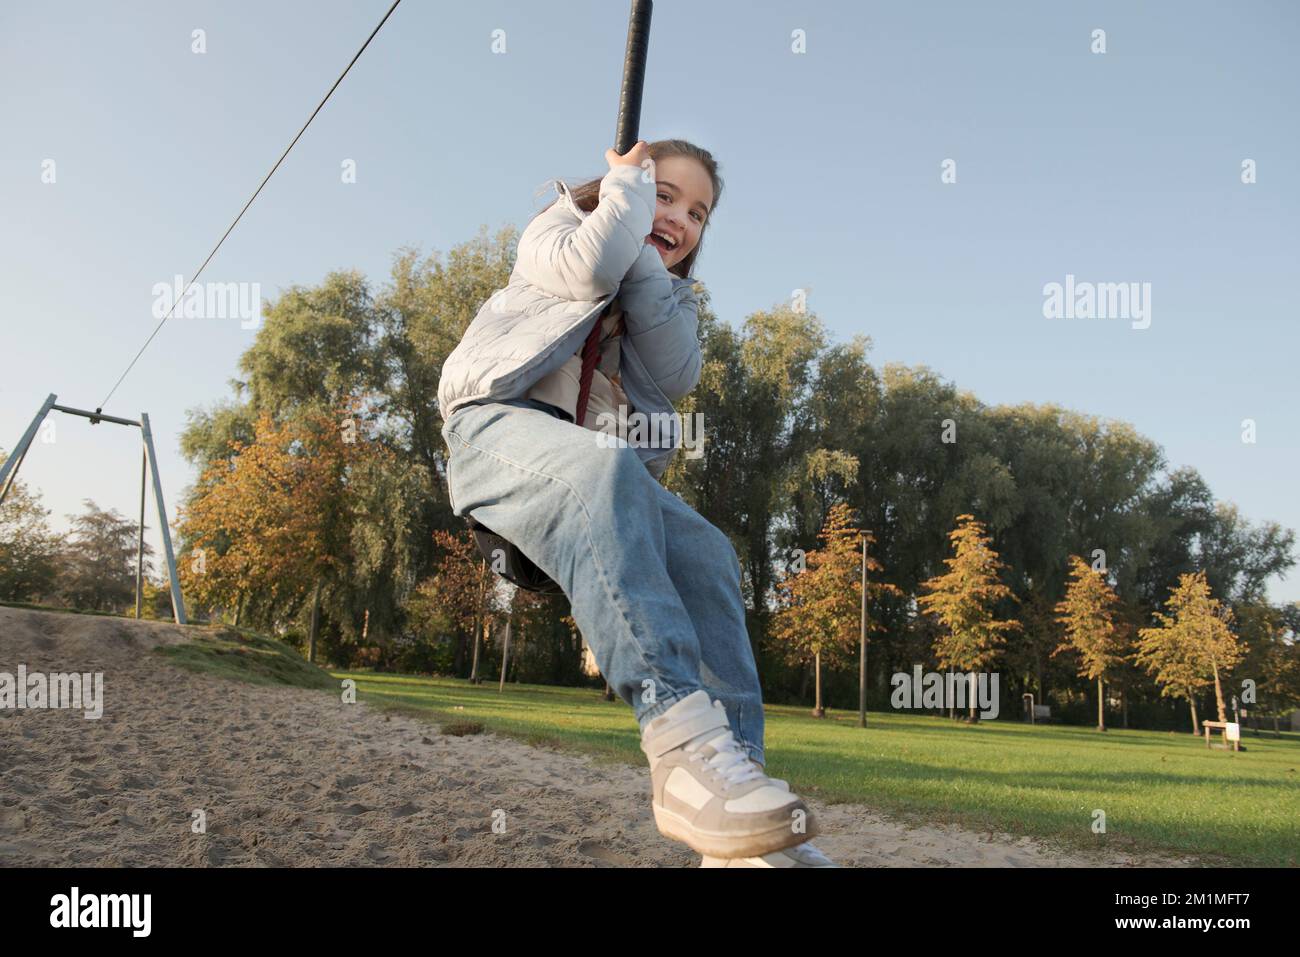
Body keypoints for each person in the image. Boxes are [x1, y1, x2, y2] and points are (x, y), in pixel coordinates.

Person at [438, 139, 835, 868]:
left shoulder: (670, 304)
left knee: (708, 554)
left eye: (698, 213)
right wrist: (621, 196)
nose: (680, 217)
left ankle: (735, 808)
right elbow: (592, 263)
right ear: (621, 184)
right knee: (606, 462)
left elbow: (677, 371)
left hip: (601, 478)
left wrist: (645, 258)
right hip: (494, 429)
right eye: (665, 194)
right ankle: (682, 751)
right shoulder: (555, 228)